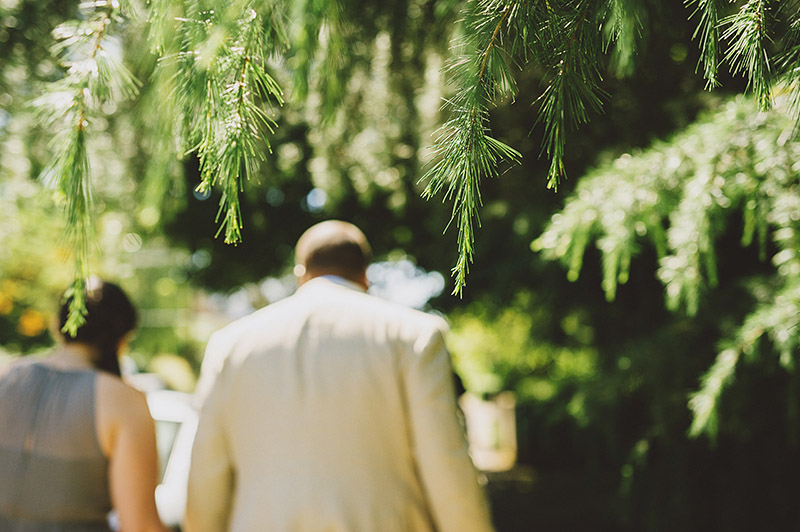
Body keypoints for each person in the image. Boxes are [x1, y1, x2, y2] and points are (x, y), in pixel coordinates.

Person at [186, 220, 495, 532]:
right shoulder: (413, 335)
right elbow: (444, 460)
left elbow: (206, 473)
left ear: (299, 275)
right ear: (365, 276)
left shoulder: (230, 345)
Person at [0, 279, 168, 532]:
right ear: (122, 339)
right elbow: (140, 526)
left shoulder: (7, 377)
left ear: (57, 326)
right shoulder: (123, 402)